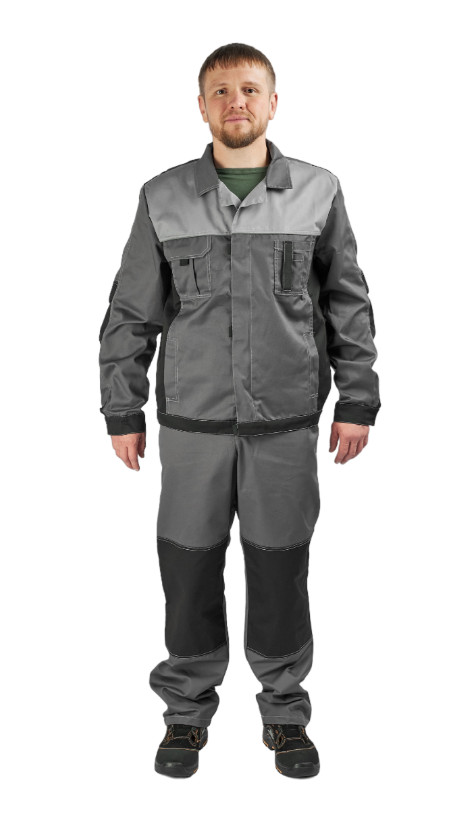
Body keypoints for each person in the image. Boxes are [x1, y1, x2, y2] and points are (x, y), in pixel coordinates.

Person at [98, 42, 381, 779]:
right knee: (188, 571)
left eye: (250, 89)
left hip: (285, 424)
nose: (236, 102)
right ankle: (185, 712)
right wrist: (121, 409)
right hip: (191, 427)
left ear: (273, 102)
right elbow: (131, 311)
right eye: (221, 91)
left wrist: (357, 399)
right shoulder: (163, 196)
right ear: (201, 106)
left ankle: (284, 712)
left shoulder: (318, 190)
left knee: (279, 571)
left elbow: (347, 300)